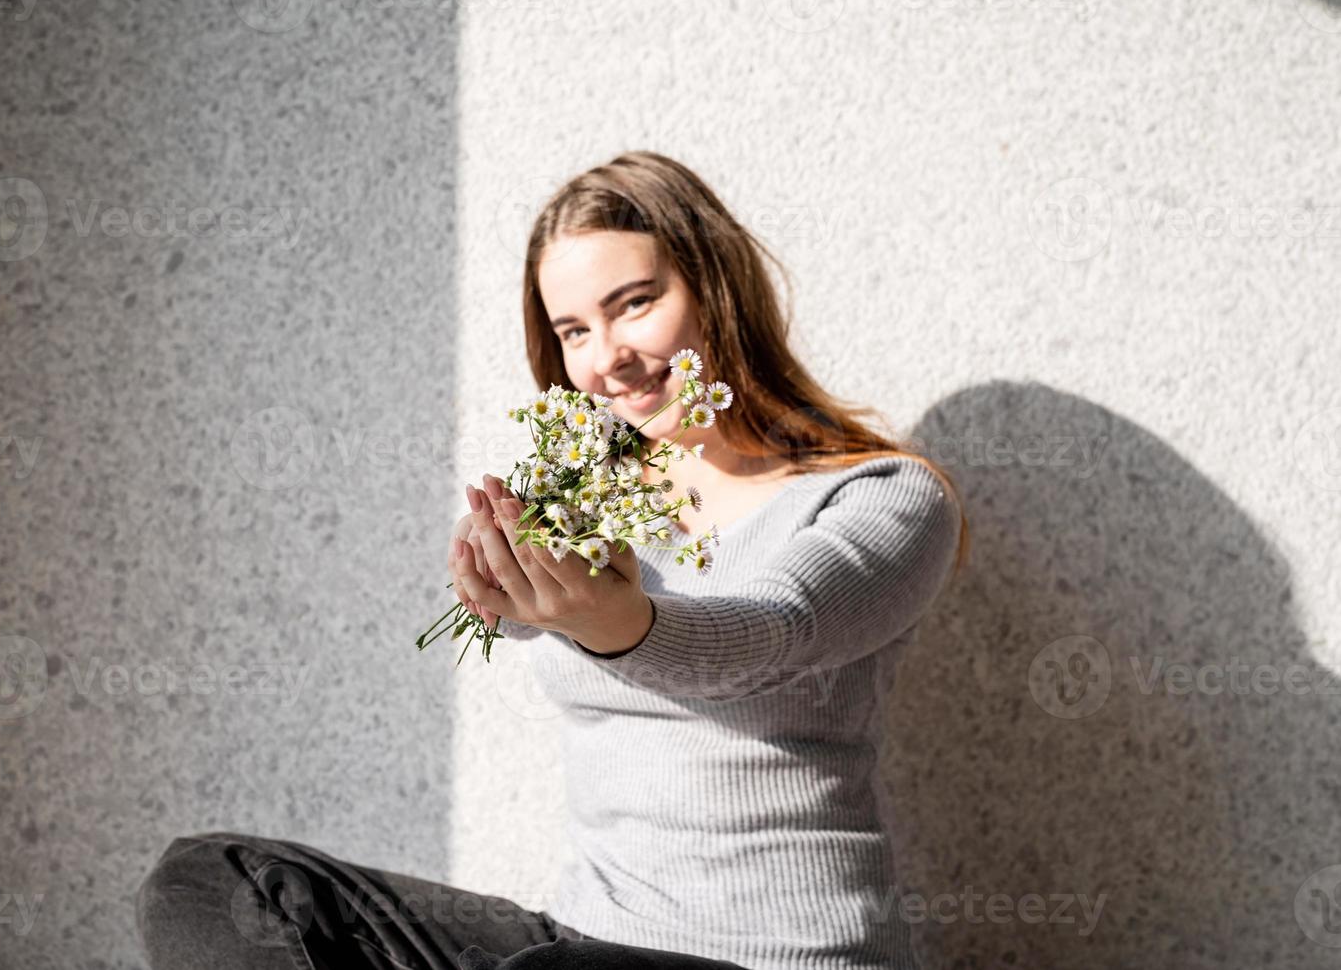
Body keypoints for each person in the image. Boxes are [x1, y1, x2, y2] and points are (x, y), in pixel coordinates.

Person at [136, 151, 970, 970]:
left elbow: (772, 633)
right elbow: (514, 610)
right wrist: (497, 577)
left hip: (780, 957)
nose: (606, 358)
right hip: (584, 939)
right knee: (215, 884)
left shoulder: (884, 496)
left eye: (635, 303)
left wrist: (617, 622)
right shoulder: (591, 497)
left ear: (718, 290)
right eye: (574, 330)